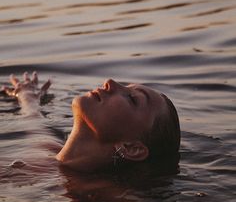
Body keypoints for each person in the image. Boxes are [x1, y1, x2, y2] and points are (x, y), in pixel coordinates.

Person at [2, 72, 180, 173]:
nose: (110, 82)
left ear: (131, 148)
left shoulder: (91, 190)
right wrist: (27, 97)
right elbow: (33, 118)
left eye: (132, 99)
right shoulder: (46, 147)